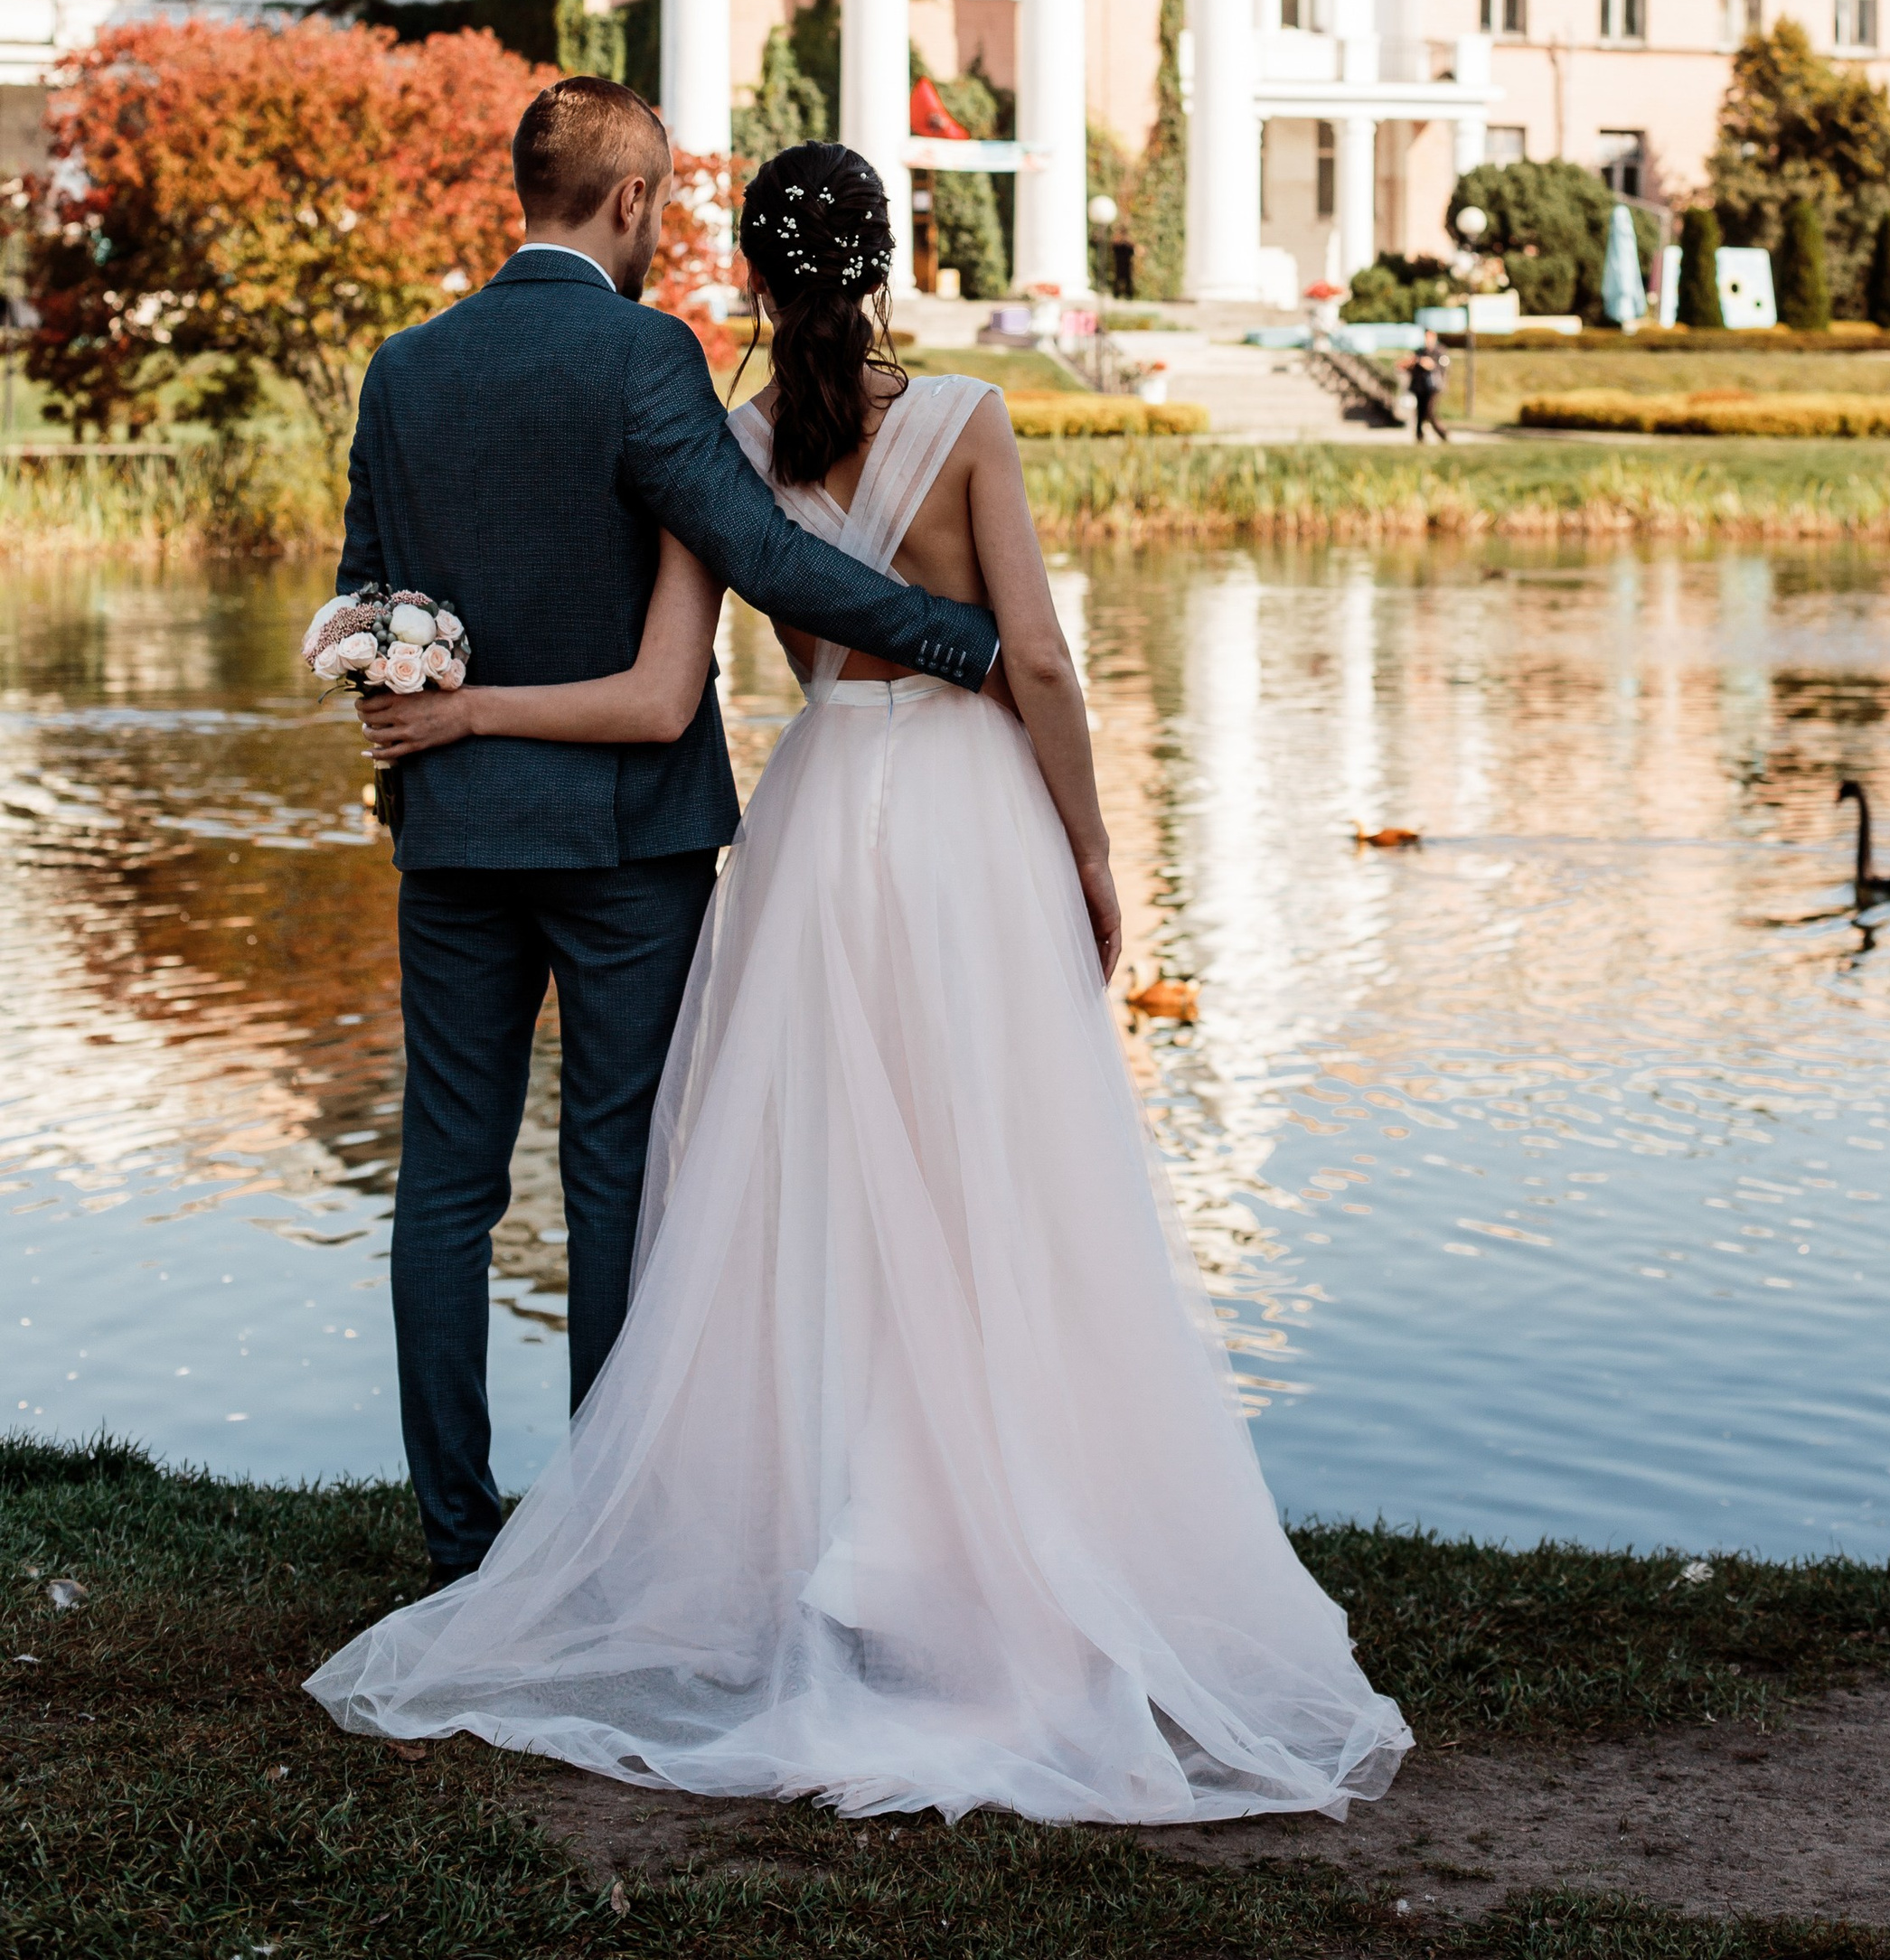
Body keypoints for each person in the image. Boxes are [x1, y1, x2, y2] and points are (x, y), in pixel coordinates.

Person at [309, 142, 1409, 1828]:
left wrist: (435, 703)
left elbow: (688, 621)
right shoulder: (956, 415)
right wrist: (1092, 840)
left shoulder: (720, 438)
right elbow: (1033, 650)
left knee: (789, 1189)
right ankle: (968, 1529)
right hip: (957, 813)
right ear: (889, 258)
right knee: (979, 1174)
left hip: (816, 826)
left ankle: (654, 1533)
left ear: (746, 266)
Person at [338, 79, 1001, 1586]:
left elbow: (365, 598)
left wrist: (414, 706)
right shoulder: (646, 354)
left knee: (444, 1181)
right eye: (659, 208)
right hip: (629, 852)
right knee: (616, 1173)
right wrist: (958, 643)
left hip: (450, 832)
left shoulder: (404, 369)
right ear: (630, 202)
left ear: (529, 189)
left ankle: (457, 1538)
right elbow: (759, 551)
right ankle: (610, 1533)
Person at [1407, 326, 1450, 443]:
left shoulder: (1440, 351)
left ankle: (1442, 433)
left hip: (1434, 386)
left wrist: (1429, 364)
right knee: (1420, 412)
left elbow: (1442, 367)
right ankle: (1419, 437)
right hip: (1420, 386)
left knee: (1429, 411)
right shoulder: (1420, 351)